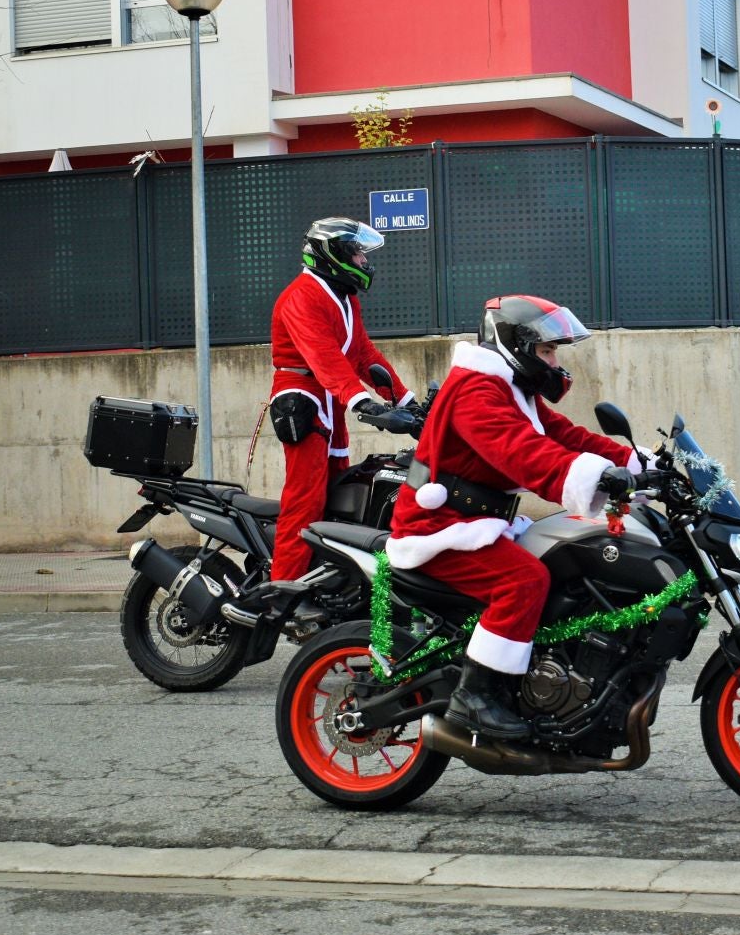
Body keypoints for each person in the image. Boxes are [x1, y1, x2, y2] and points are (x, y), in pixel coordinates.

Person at [384, 295, 641, 739]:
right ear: (517, 345)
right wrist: (595, 477)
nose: (554, 361)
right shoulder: (476, 391)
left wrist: (639, 461)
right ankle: (475, 696)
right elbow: (521, 453)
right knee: (522, 581)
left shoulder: (511, 387)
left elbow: (564, 434)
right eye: (547, 351)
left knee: (567, 563)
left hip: (481, 523)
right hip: (440, 528)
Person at [268, 218, 420, 598]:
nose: (363, 260)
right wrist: (362, 401)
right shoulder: (302, 295)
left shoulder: (344, 297)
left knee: (339, 494)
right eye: (356, 252)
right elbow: (324, 357)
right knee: (305, 500)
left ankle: (327, 581)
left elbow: (364, 355)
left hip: (330, 401)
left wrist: (407, 402)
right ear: (332, 255)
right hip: (302, 397)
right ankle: (282, 590)